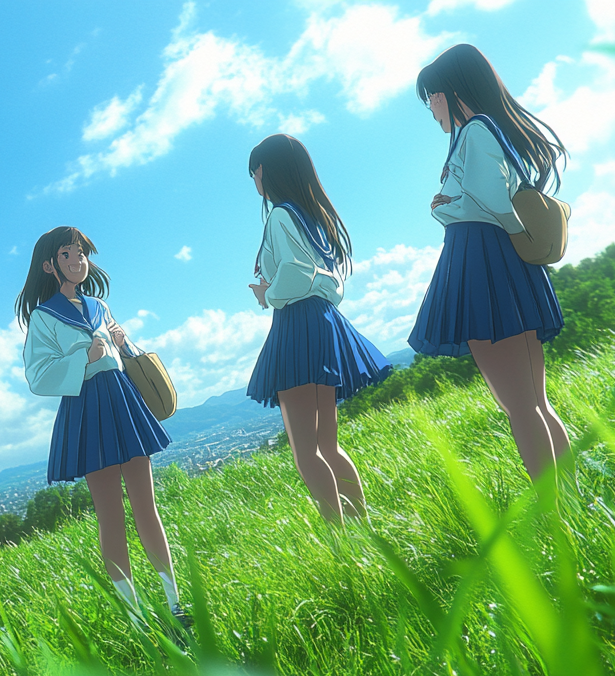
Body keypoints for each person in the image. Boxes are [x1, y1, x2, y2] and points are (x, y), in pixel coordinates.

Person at [407, 43, 572, 482]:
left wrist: (447, 205)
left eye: (433, 98)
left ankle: (555, 506)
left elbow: (491, 200)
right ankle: (568, 496)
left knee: (519, 406)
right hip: (496, 261)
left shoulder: (475, 131)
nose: (431, 109)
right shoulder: (485, 130)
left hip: (483, 261)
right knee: (532, 403)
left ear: (449, 92)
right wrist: (454, 202)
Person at [17, 226, 191, 626]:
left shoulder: (99, 306)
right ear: (49, 265)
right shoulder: (44, 318)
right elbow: (38, 375)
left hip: (122, 400)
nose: (78, 260)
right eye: (67, 254)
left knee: (147, 507)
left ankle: (174, 600)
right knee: (110, 515)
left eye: (81, 253)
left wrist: (123, 342)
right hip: (87, 409)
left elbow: (124, 356)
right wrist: (85, 358)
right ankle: (134, 615)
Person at [245, 134, 392, 524]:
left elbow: (294, 273)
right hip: (325, 324)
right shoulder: (313, 215)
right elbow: (327, 280)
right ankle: (363, 527)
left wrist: (268, 293)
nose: (255, 181)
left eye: (255, 172)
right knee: (328, 444)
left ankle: (340, 540)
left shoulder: (279, 215)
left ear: (267, 171)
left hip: (296, 328)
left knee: (305, 451)